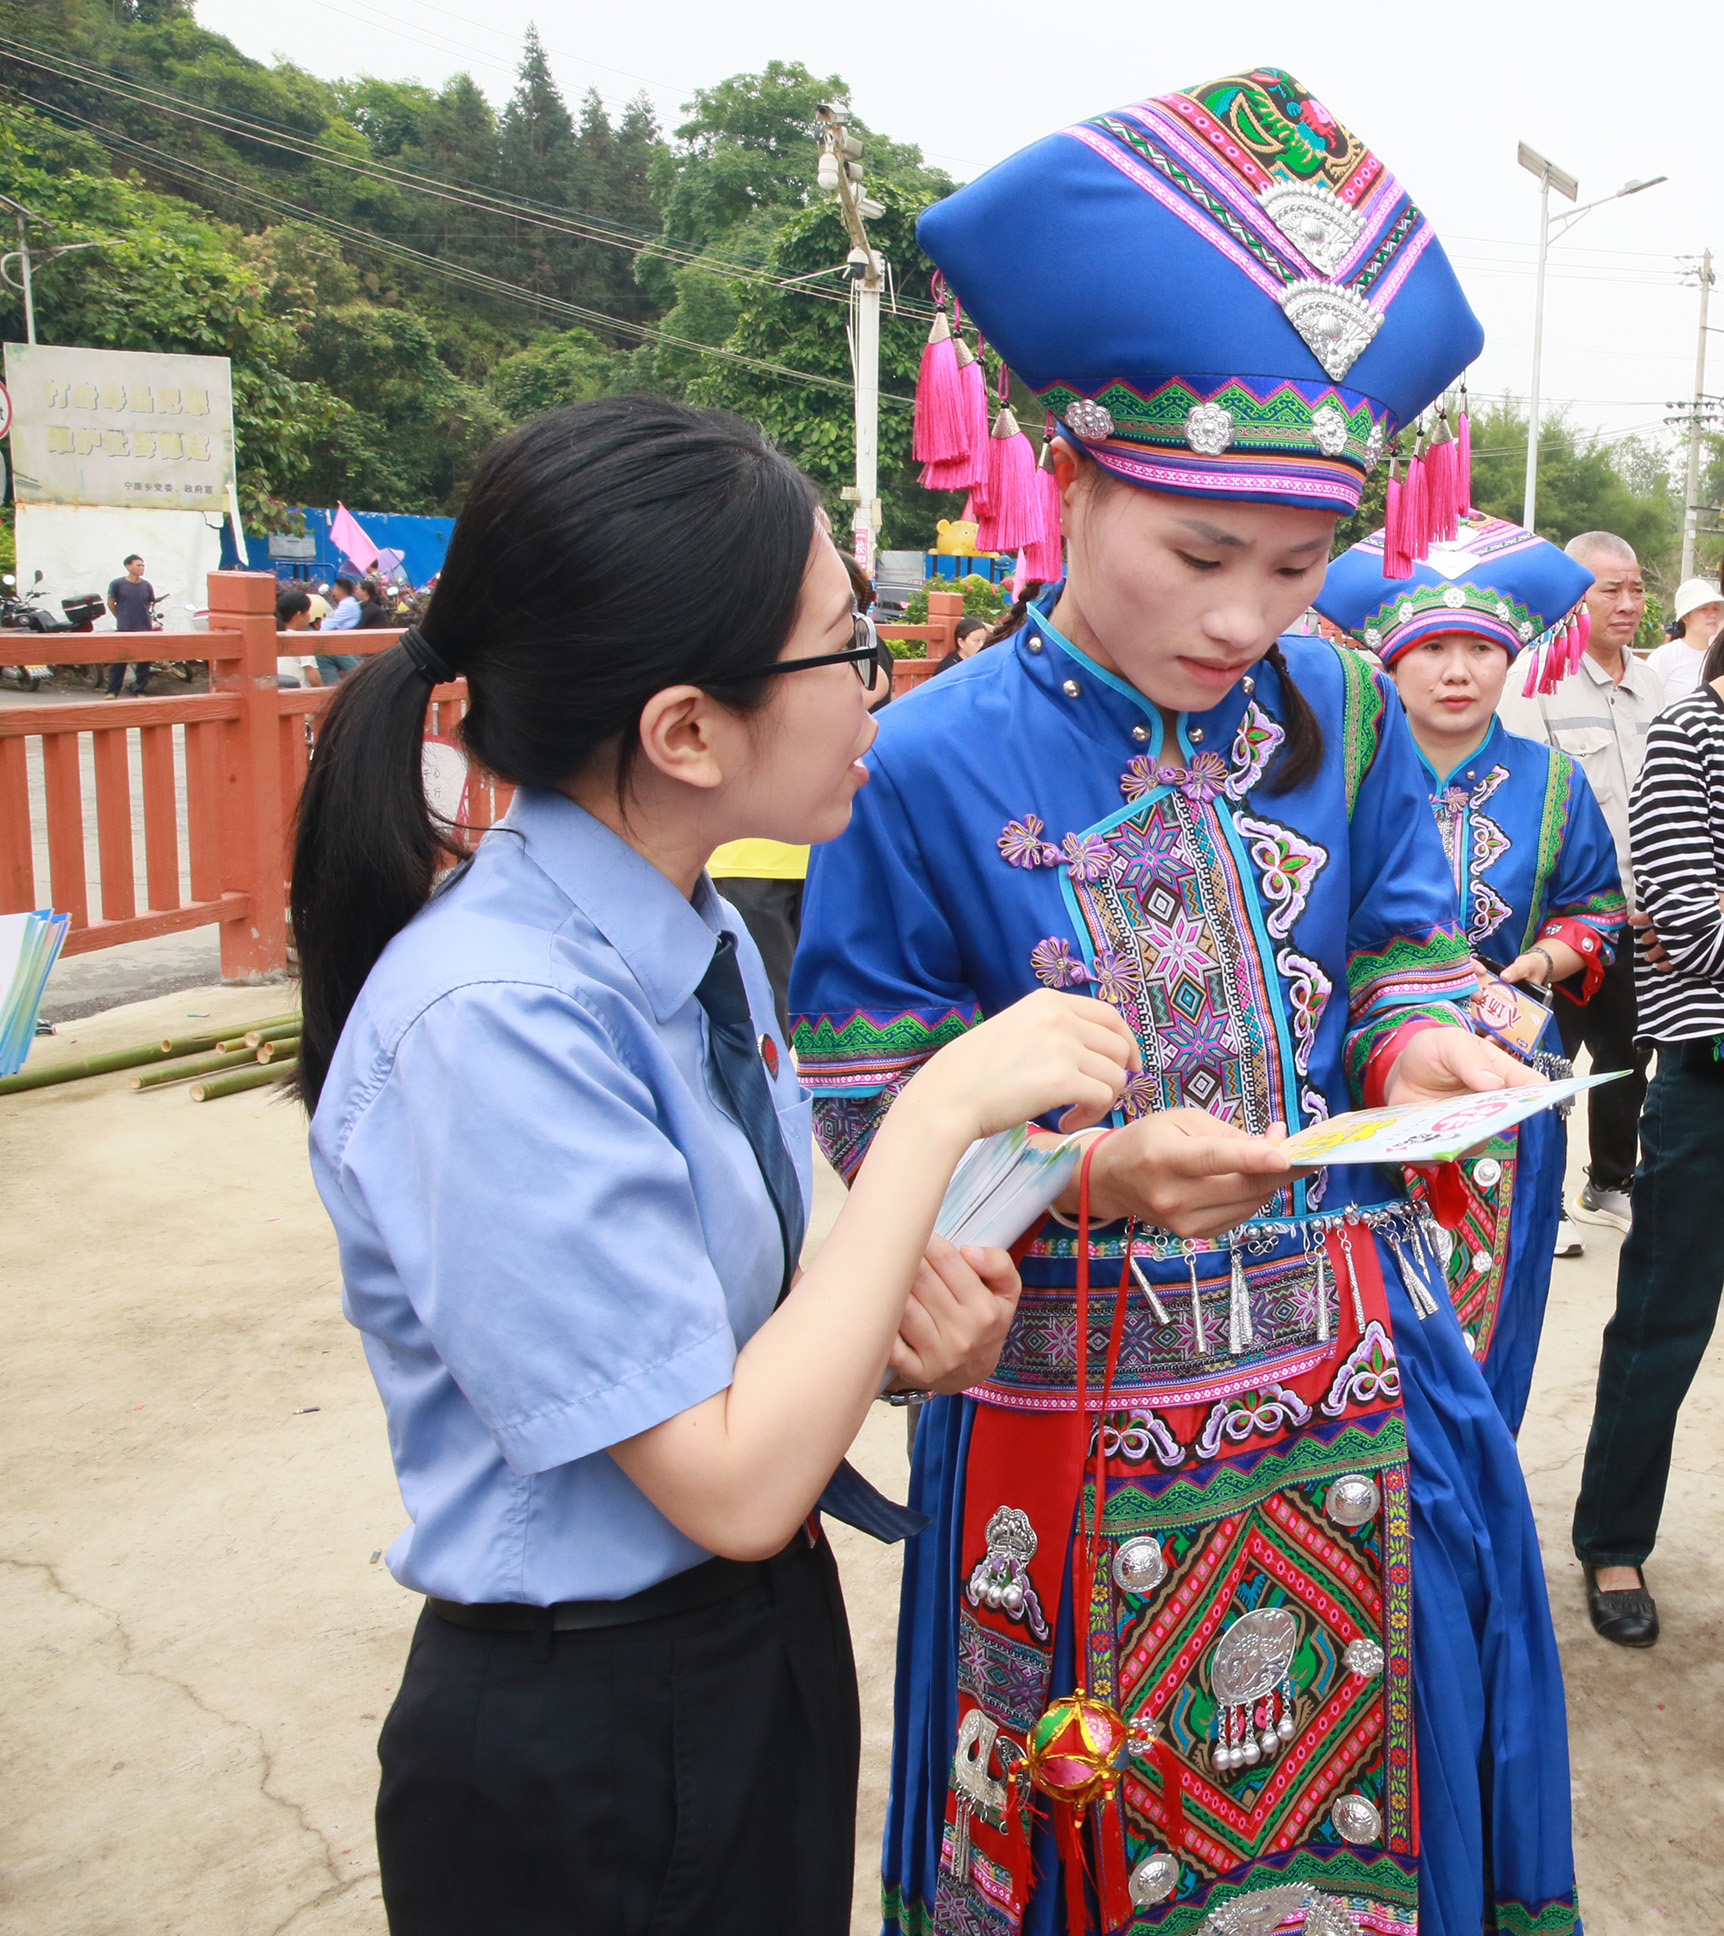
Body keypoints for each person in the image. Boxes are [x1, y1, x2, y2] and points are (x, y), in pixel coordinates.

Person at [794, 68, 1583, 1936]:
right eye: (1196, 557)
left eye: (1296, 569)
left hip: (1351, 1376)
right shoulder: (919, 761)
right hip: (1061, 1411)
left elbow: (1394, 940)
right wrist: (1087, 1177)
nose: (1241, 620)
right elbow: (858, 1098)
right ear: (1065, 482)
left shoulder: (1354, 707)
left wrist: (1419, 1041)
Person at [290, 395, 1138, 1936]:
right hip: (591, 1731)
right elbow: (733, 1479)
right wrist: (940, 1112)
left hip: (751, 1654)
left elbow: (780, 1308)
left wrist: (904, 1331)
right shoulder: (494, 1023)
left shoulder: (700, 942)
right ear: (685, 730)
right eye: (847, 645)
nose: (881, 688)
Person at [1316, 514, 1625, 1430]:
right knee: (1358, 1329)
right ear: (1391, 662)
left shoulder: (1554, 780)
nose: (1458, 671)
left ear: (1511, 661)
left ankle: (1473, 1524)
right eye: (1434, 649)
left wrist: (1538, 959)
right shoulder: (1333, 776)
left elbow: (1598, 909)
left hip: (1508, 1076)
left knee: (1487, 1329)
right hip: (1362, 1082)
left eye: (1481, 650)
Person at [1571, 618, 1724, 1648]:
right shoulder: (1687, 738)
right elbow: (1684, 914)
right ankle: (1612, 1538)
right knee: (1661, 1323)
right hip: (1708, 1080)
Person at [1498, 530, 1660, 1251]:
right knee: (1545, 1057)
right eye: (1609, 589)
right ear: (1574, 598)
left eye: (1635, 588)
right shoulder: (1533, 681)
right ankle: (1544, 1200)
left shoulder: (1656, 683)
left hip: (1641, 909)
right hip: (1554, 921)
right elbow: (1519, 801)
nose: (1627, 603)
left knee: (1631, 1052)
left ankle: (1611, 1180)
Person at [1645, 576, 1723, 707]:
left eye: (1715, 608)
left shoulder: (1718, 656)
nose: (1712, 615)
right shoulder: (1665, 655)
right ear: (1685, 617)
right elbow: (1646, 701)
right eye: (1704, 609)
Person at [105, 552, 155, 697]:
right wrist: (121, 617)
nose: (142, 568)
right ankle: (112, 691)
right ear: (128, 566)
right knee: (120, 661)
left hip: (144, 628)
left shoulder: (146, 585)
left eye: (143, 565)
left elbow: (148, 604)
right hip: (125, 628)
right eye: (138, 565)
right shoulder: (118, 584)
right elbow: (111, 603)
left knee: (143, 662)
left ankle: (140, 690)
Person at [317, 575, 363, 684]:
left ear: (340, 589)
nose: (333, 590)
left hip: (344, 645)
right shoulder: (347, 604)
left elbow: (329, 623)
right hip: (342, 642)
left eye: (335, 587)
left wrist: (315, 633)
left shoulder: (347, 605)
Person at [275, 589, 324, 690]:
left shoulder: (273, 636)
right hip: (300, 695)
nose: (309, 615)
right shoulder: (301, 640)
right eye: (307, 611)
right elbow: (313, 678)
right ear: (298, 614)